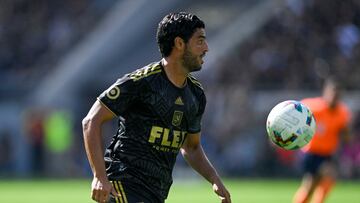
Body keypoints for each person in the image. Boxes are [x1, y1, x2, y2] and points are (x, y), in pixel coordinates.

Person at [82, 12, 231, 203]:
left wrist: (214, 179)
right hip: (123, 184)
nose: (206, 48)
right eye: (200, 41)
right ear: (179, 44)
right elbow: (91, 121)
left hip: (156, 193)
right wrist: (99, 177)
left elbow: (191, 147)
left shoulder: (196, 94)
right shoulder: (140, 82)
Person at [293, 77, 352, 203]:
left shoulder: (342, 113)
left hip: (327, 154)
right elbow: (294, 112)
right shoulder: (313, 107)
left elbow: (346, 137)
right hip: (311, 153)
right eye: (333, 93)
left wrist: (346, 131)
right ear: (326, 92)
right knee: (313, 185)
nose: (335, 97)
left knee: (324, 179)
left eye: (338, 94)